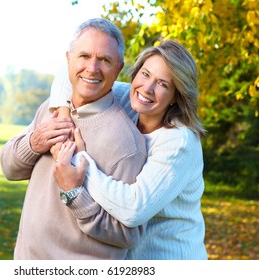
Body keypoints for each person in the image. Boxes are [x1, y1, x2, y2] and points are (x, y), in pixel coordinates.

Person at [0, 18, 147, 260]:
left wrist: (74, 193)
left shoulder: (126, 144)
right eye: (84, 56)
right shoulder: (51, 109)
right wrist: (34, 143)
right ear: (69, 59)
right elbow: (8, 168)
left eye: (104, 60)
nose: (92, 68)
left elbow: (127, 234)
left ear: (119, 68)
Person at [50, 40, 208, 260]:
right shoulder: (128, 99)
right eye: (145, 74)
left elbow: (133, 209)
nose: (147, 88)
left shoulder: (179, 141)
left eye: (162, 84)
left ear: (176, 96)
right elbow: (66, 74)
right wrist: (64, 115)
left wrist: (80, 160)